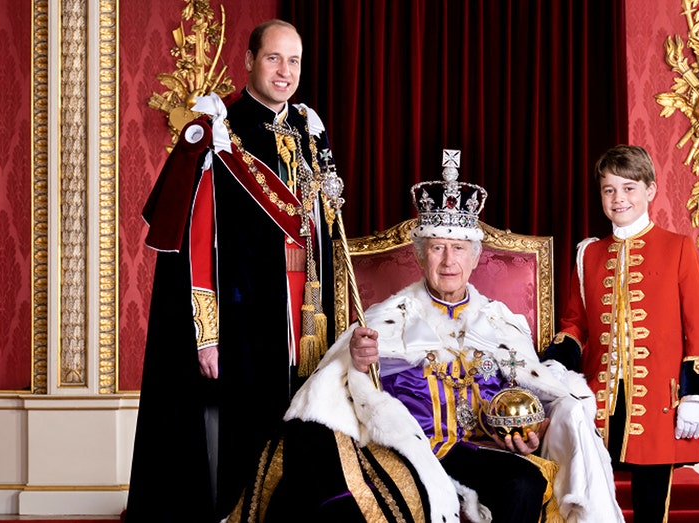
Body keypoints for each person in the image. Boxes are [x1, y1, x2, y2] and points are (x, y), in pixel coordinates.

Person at [226, 151, 625, 523]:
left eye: (458, 248)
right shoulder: (386, 320)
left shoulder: (502, 324)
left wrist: (528, 432)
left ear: (475, 257)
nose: (448, 261)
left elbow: (534, 393)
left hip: (480, 449)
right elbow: (346, 392)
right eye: (437, 248)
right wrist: (360, 362)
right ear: (419, 256)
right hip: (409, 450)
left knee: (524, 481)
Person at [127, 20, 339, 522]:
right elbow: (197, 240)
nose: (284, 72)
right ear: (248, 60)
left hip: (308, 317)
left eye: (294, 61)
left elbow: (325, 234)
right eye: (273, 58)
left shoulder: (310, 130)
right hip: (244, 318)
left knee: (305, 437)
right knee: (247, 443)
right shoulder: (219, 129)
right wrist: (206, 336)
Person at [542, 144, 699, 523]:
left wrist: (696, 395)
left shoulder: (678, 247)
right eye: (609, 190)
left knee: (652, 505)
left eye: (629, 188)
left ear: (650, 190)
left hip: (659, 399)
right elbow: (576, 322)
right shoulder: (589, 254)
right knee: (591, 498)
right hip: (600, 397)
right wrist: (557, 364)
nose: (618, 198)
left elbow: (698, 326)